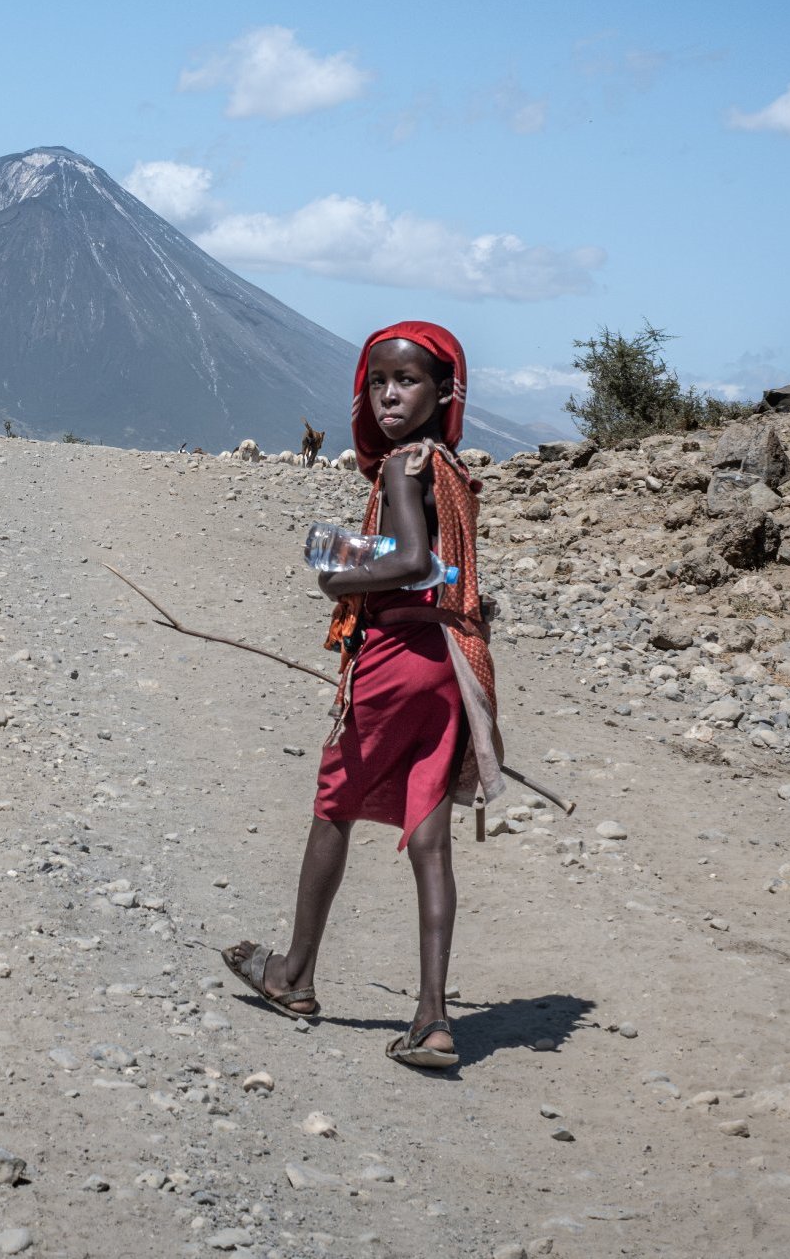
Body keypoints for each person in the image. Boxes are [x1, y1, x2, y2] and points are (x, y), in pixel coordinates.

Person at [222, 322, 505, 1070]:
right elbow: (448, 572)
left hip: (397, 660)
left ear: (442, 392)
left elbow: (411, 560)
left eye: (406, 381)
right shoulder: (450, 468)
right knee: (430, 838)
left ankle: (293, 973)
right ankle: (433, 1020)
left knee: (333, 806)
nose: (387, 394)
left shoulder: (406, 468)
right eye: (378, 379)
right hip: (449, 666)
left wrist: (339, 580)